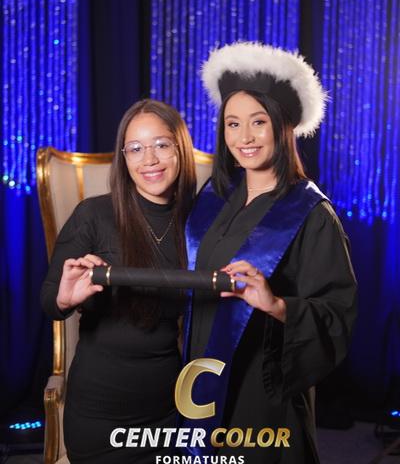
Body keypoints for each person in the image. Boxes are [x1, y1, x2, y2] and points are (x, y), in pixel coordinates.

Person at [182, 42, 357, 463]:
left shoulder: (311, 214)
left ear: (283, 126)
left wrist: (277, 304)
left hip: (263, 390)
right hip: (199, 383)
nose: (244, 137)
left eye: (258, 122)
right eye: (233, 124)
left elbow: (337, 316)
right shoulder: (213, 198)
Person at [41, 99, 196, 463]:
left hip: (170, 412)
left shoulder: (200, 222)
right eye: (136, 149)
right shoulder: (93, 214)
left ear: (180, 148)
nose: (149, 159)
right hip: (99, 418)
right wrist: (65, 299)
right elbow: (49, 300)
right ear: (123, 158)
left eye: (161, 145)